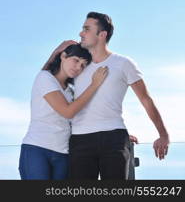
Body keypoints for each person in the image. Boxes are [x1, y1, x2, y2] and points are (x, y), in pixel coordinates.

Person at [44, 12, 170, 180]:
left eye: (86, 29)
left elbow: (146, 100)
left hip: (114, 138)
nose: (81, 33)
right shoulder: (77, 65)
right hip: (79, 140)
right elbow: (45, 80)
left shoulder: (124, 63)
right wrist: (57, 51)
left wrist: (163, 134)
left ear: (102, 35)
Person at [19, 43, 108, 180]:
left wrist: (112, 130)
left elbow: (83, 119)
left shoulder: (72, 91)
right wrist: (94, 84)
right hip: (37, 149)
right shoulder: (45, 78)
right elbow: (67, 112)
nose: (78, 67)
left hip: (64, 154)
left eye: (83, 65)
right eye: (76, 60)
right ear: (63, 56)